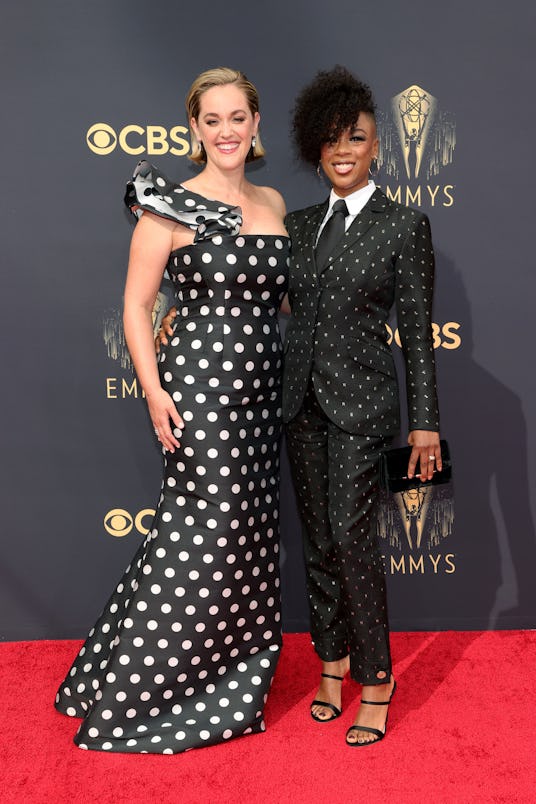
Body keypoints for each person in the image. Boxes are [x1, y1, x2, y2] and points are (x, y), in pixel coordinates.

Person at [54, 67, 289, 754]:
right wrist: (156, 392)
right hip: (201, 395)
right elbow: (135, 305)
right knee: (203, 535)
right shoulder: (168, 205)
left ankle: (228, 675)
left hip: (262, 392)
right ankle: (144, 697)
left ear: (255, 124)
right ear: (194, 129)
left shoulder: (273, 200)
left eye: (237, 118)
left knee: (244, 537)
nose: (226, 131)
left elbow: (277, 299)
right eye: (212, 120)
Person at [283, 66, 441, 746]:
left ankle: (377, 679)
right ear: (314, 150)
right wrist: (178, 314)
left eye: (356, 137)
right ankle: (332, 664)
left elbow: (417, 332)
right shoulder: (297, 224)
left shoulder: (404, 224)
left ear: (376, 145)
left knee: (350, 541)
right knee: (319, 544)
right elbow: (258, 296)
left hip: (363, 407)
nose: (343, 150)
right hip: (300, 406)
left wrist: (425, 421)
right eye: (330, 140)